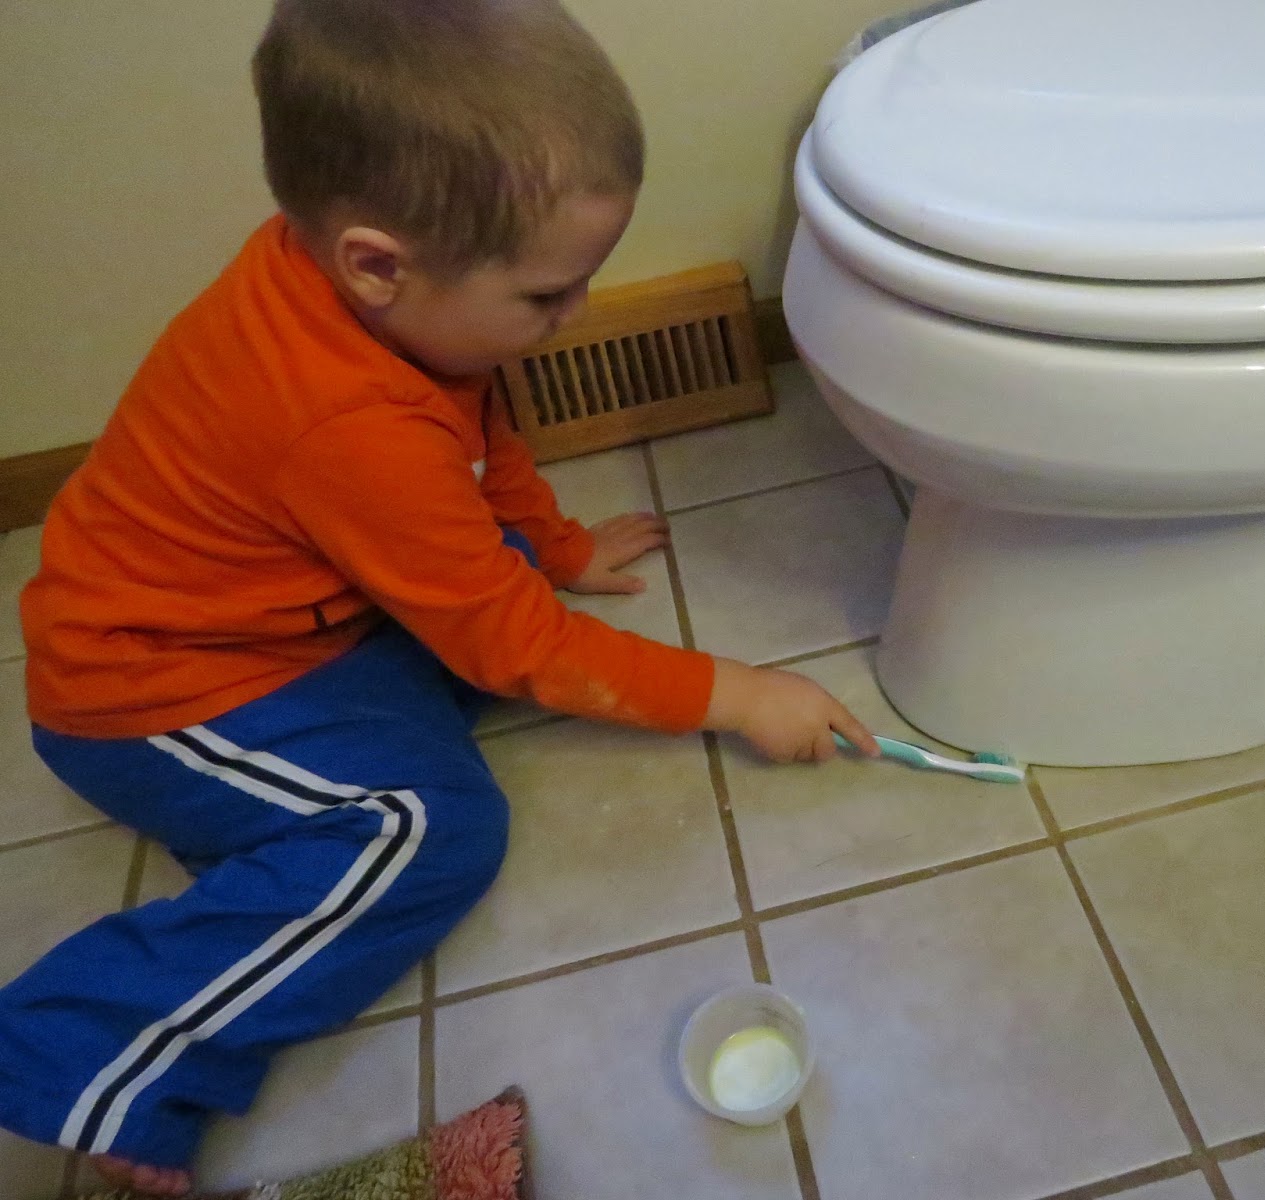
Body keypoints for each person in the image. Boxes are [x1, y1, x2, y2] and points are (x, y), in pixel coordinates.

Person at [0, 1, 876, 1192]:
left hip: (286, 618)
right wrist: (738, 694)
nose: (571, 317)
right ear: (376, 263)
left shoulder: (369, 305)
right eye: (546, 296)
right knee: (425, 828)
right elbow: (520, 647)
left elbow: (473, 432)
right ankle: (99, 1051)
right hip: (156, 691)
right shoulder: (346, 423)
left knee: (488, 592)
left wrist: (554, 548)